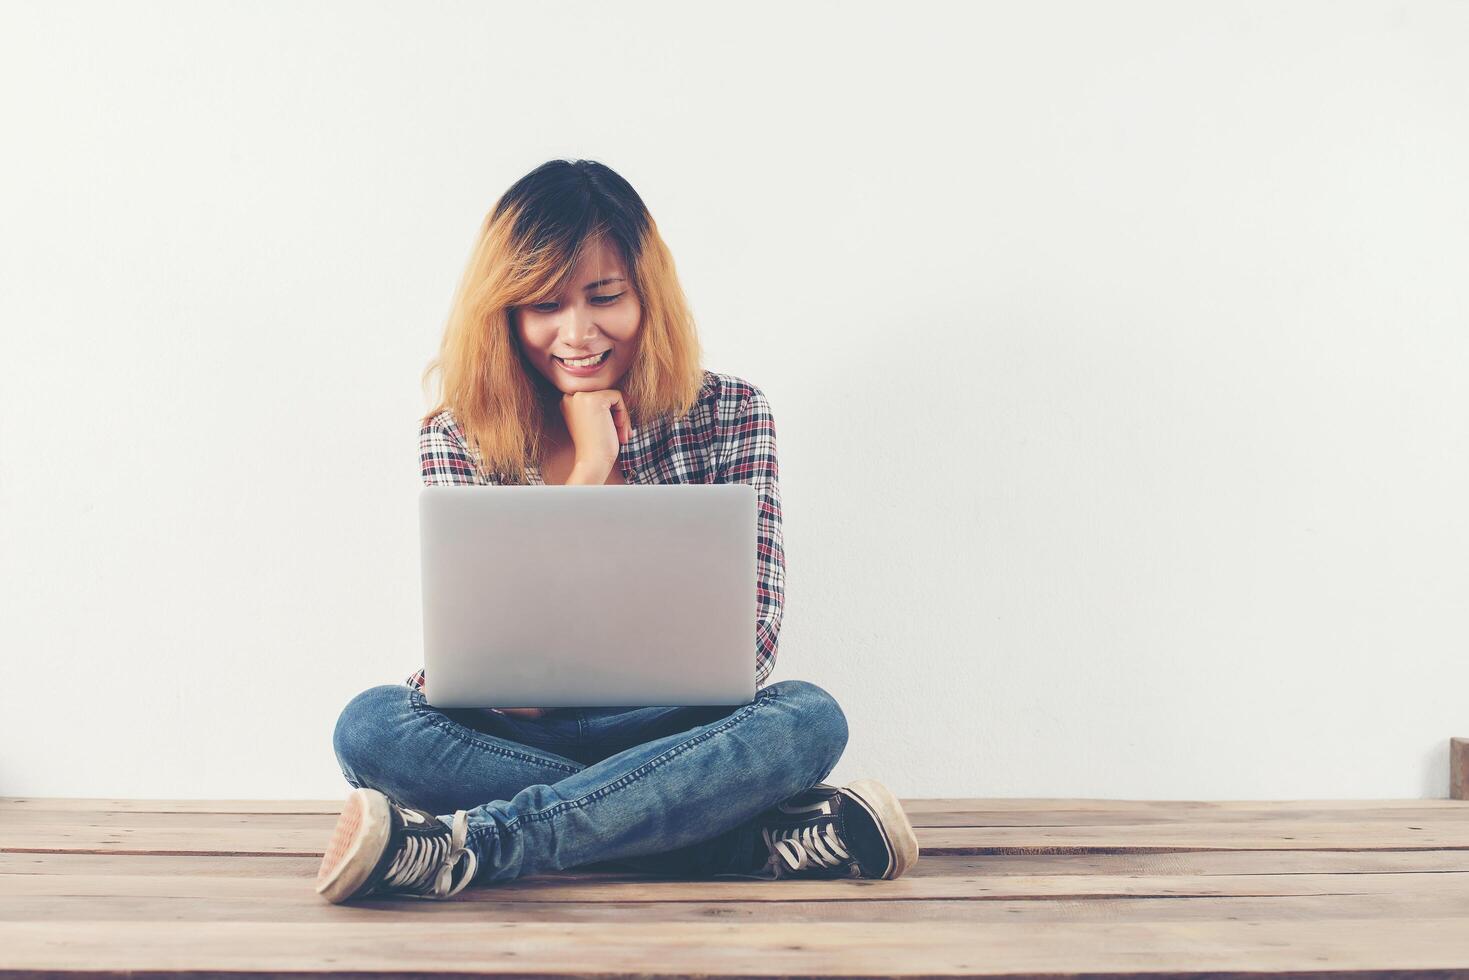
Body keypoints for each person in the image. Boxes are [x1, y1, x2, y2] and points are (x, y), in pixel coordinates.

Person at [316, 159, 918, 904]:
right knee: (370, 728)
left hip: (674, 730)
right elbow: (503, 680)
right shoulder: (461, 435)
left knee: (806, 718)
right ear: (503, 312)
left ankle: (473, 846)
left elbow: (749, 649)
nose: (576, 333)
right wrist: (590, 470)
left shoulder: (731, 413)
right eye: (543, 305)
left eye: (605, 297)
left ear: (647, 296)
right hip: (511, 734)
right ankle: (732, 839)